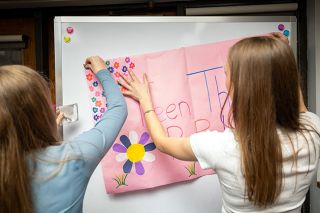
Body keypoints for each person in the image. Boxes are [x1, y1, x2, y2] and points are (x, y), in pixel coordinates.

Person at [119, 34, 320, 212]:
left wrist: (145, 101)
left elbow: (162, 143)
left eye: (226, 74)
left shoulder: (221, 147)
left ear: (240, 88)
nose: (224, 80)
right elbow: (299, 107)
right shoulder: (313, 130)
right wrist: (282, 58)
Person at [0, 56, 127, 213]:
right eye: (49, 105)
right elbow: (118, 108)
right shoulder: (72, 158)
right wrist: (102, 70)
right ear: (42, 116)